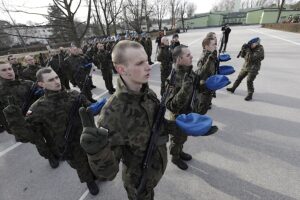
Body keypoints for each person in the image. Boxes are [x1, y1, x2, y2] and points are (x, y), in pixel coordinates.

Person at [79, 40, 168, 200]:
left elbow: (156, 125)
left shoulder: (147, 92)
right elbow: (108, 173)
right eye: (140, 63)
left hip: (156, 168)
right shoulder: (112, 114)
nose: (148, 67)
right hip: (139, 182)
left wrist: (177, 126)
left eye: (147, 61)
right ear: (121, 69)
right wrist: (96, 152)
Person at [3, 67, 99, 195]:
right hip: (68, 144)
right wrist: (15, 120)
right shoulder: (37, 107)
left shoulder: (74, 95)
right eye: (51, 80)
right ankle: (90, 182)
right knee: (81, 166)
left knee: (96, 159)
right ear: (41, 84)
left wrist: (96, 108)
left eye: (57, 77)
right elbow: (27, 136)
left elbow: (90, 109)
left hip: (88, 137)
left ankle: (97, 174)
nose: (56, 81)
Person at [165, 45, 218, 170]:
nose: (192, 56)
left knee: (183, 137)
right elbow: (171, 105)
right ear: (178, 59)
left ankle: (180, 152)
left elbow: (198, 81)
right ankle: (175, 157)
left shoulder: (188, 72)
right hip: (178, 116)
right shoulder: (172, 79)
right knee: (177, 139)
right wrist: (185, 89)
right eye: (188, 55)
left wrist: (210, 62)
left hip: (189, 111)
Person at [0, 63, 37, 137]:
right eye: (4, 70)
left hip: (40, 121)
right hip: (22, 128)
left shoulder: (28, 84)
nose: (8, 72)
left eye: (10, 69)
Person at [197, 37, 218, 114]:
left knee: (206, 106)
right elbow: (199, 73)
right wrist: (209, 61)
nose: (215, 46)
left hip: (209, 87)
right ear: (206, 46)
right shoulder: (204, 57)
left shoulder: (211, 55)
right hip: (204, 89)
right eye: (213, 44)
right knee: (201, 110)